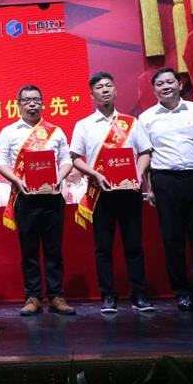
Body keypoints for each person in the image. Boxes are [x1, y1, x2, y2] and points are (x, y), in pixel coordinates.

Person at [70, 72, 154, 314]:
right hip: (101, 192)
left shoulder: (131, 122)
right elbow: (76, 158)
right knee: (103, 247)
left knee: (134, 244)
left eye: (108, 85)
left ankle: (139, 294)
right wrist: (95, 174)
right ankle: (108, 295)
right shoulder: (84, 125)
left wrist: (138, 174)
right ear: (91, 94)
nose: (105, 90)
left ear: (116, 91)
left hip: (129, 191)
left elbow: (145, 152)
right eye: (99, 87)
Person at [139, 67, 193, 311]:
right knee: (172, 238)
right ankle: (182, 292)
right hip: (165, 181)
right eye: (160, 84)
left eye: (169, 82)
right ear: (154, 90)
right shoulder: (146, 118)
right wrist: (150, 187)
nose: (165, 87)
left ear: (179, 84)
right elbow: (146, 154)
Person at [0, 84, 75, 316]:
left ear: (42, 103)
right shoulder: (9, 132)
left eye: (36, 100)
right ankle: (32, 296)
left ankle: (56, 296)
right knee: (29, 250)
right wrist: (17, 180)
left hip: (52, 197)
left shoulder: (55, 131)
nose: (32, 104)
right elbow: (0, 161)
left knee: (54, 249)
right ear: (18, 104)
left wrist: (59, 178)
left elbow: (66, 160)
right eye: (27, 100)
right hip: (25, 198)